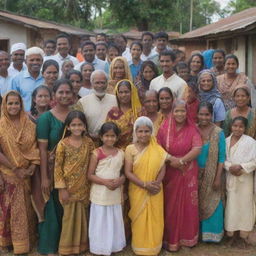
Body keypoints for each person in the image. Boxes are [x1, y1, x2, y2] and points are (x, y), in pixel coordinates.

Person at [157, 99, 202, 252]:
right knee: (170, 206)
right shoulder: (164, 127)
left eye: (183, 110)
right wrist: (171, 160)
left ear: (187, 112)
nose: (180, 114)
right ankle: (170, 240)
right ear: (172, 111)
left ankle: (187, 238)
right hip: (169, 170)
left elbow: (197, 148)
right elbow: (158, 147)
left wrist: (181, 161)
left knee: (188, 206)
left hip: (187, 171)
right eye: (177, 111)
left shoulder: (192, 129)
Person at [36, 79, 74, 255]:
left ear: (73, 95)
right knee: (51, 205)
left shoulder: (76, 116)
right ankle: (49, 246)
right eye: (61, 92)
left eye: (67, 92)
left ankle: (67, 244)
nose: (64, 95)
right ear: (54, 95)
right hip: (51, 170)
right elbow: (43, 150)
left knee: (68, 205)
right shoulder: (45, 118)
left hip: (72, 169)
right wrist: (44, 177)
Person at [0, 91, 40, 254]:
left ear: (21, 105)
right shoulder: (1, 124)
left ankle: (27, 239)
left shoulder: (29, 124)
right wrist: (15, 168)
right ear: (5, 105)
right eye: (10, 103)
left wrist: (31, 167)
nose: (13, 106)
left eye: (16, 103)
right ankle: (9, 241)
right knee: (10, 209)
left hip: (27, 173)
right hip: (9, 173)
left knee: (26, 208)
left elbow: (34, 147)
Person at [125, 116, 167, 255]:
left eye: (147, 131)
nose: (144, 134)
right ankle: (140, 246)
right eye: (141, 131)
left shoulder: (157, 148)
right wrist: (144, 185)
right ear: (135, 132)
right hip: (138, 189)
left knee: (155, 217)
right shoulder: (130, 149)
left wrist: (156, 183)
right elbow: (128, 172)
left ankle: (154, 246)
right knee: (139, 219)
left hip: (155, 189)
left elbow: (163, 167)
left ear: (151, 132)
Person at [54, 110, 94, 255]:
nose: (77, 128)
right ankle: (66, 248)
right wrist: (62, 188)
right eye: (74, 125)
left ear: (84, 127)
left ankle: (81, 246)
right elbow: (58, 167)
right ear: (68, 127)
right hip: (67, 188)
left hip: (84, 186)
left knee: (82, 217)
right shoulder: (62, 144)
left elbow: (93, 163)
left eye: (80, 125)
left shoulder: (89, 143)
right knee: (69, 218)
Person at [88, 122, 126, 255]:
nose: (109, 139)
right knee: (100, 219)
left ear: (117, 137)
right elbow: (90, 175)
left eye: (113, 136)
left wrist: (121, 180)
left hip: (114, 193)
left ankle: (114, 244)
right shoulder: (96, 153)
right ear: (100, 136)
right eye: (106, 136)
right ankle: (99, 246)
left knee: (113, 218)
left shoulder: (121, 153)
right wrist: (105, 182)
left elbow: (123, 173)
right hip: (100, 193)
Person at [224, 116, 256, 246]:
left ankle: (243, 236)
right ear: (231, 126)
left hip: (245, 180)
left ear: (245, 128)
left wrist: (241, 167)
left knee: (244, 207)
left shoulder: (251, 142)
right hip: (230, 177)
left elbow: (254, 161)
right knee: (231, 207)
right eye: (235, 126)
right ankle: (232, 234)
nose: (237, 129)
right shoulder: (225, 141)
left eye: (241, 126)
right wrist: (229, 167)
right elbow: (222, 159)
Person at [197, 102, 226, 243]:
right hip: (195, 174)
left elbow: (221, 158)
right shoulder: (193, 130)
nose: (204, 117)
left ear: (212, 115)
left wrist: (218, 178)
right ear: (197, 115)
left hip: (213, 173)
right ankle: (198, 234)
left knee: (214, 203)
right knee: (196, 203)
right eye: (201, 114)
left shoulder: (218, 132)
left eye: (207, 114)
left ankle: (212, 236)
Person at [78, 70, 117, 145]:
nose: (100, 85)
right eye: (97, 83)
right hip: (90, 143)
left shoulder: (115, 100)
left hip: (112, 143)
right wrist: (90, 136)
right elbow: (79, 123)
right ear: (92, 84)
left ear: (107, 83)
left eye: (103, 82)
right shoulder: (82, 102)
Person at [106, 79, 141, 150]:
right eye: (121, 92)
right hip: (115, 151)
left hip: (135, 150)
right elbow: (107, 133)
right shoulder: (112, 112)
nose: (123, 95)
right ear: (117, 93)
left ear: (132, 93)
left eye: (126, 92)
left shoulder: (139, 112)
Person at [11, 47, 45, 111]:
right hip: (23, 117)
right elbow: (12, 100)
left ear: (42, 61)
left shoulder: (46, 78)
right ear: (25, 61)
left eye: (38, 60)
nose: (35, 62)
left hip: (44, 117)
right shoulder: (16, 79)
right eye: (31, 60)